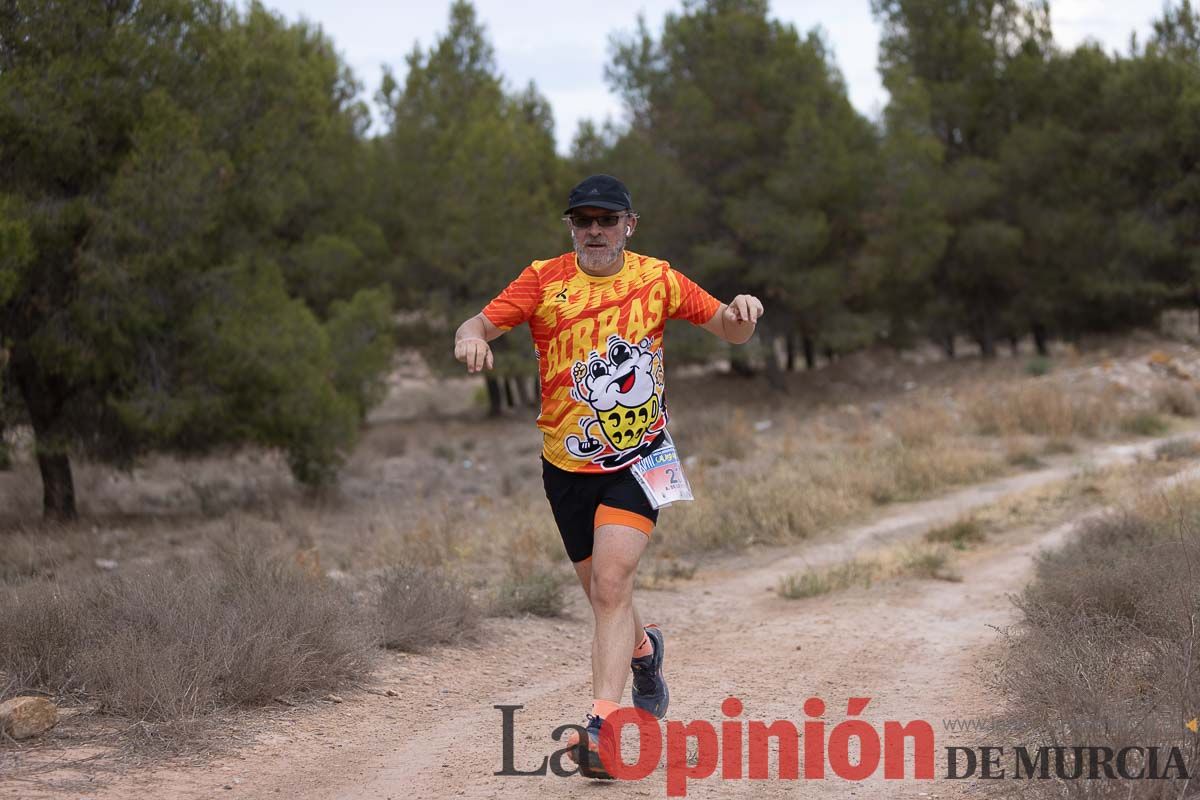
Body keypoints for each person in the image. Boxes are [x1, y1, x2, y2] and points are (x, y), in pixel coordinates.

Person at [453, 174, 763, 776]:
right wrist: (470, 341)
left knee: (613, 585)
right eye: (583, 220)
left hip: (639, 459)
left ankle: (601, 729)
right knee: (603, 596)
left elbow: (728, 326)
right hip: (565, 465)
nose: (595, 230)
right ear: (571, 226)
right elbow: (476, 325)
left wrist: (745, 313)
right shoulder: (542, 280)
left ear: (630, 225)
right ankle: (645, 653)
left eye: (607, 220)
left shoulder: (657, 278)